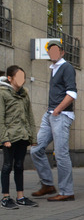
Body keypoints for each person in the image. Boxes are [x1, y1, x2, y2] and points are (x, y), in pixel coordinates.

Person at [30, 39, 78, 201]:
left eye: (56, 51)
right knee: (36, 149)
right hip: (50, 114)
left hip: (61, 115)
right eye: (51, 51)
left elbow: (72, 94)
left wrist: (58, 110)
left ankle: (67, 192)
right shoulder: (54, 69)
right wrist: (51, 111)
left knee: (61, 154)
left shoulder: (67, 68)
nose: (53, 54)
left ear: (62, 53)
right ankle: (48, 185)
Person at [1, 66, 39, 209]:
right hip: (10, 137)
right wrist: (4, 138)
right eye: (18, 77)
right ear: (10, 78)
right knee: (6, 166)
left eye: (23, 77)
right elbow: (0, 118)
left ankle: (20, 197)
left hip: (23, 136)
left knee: (19, 166)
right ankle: (5, 197)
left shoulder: (25, 94)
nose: (22, 80)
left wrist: (33, 137)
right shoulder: (3, 93)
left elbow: (30, 116)